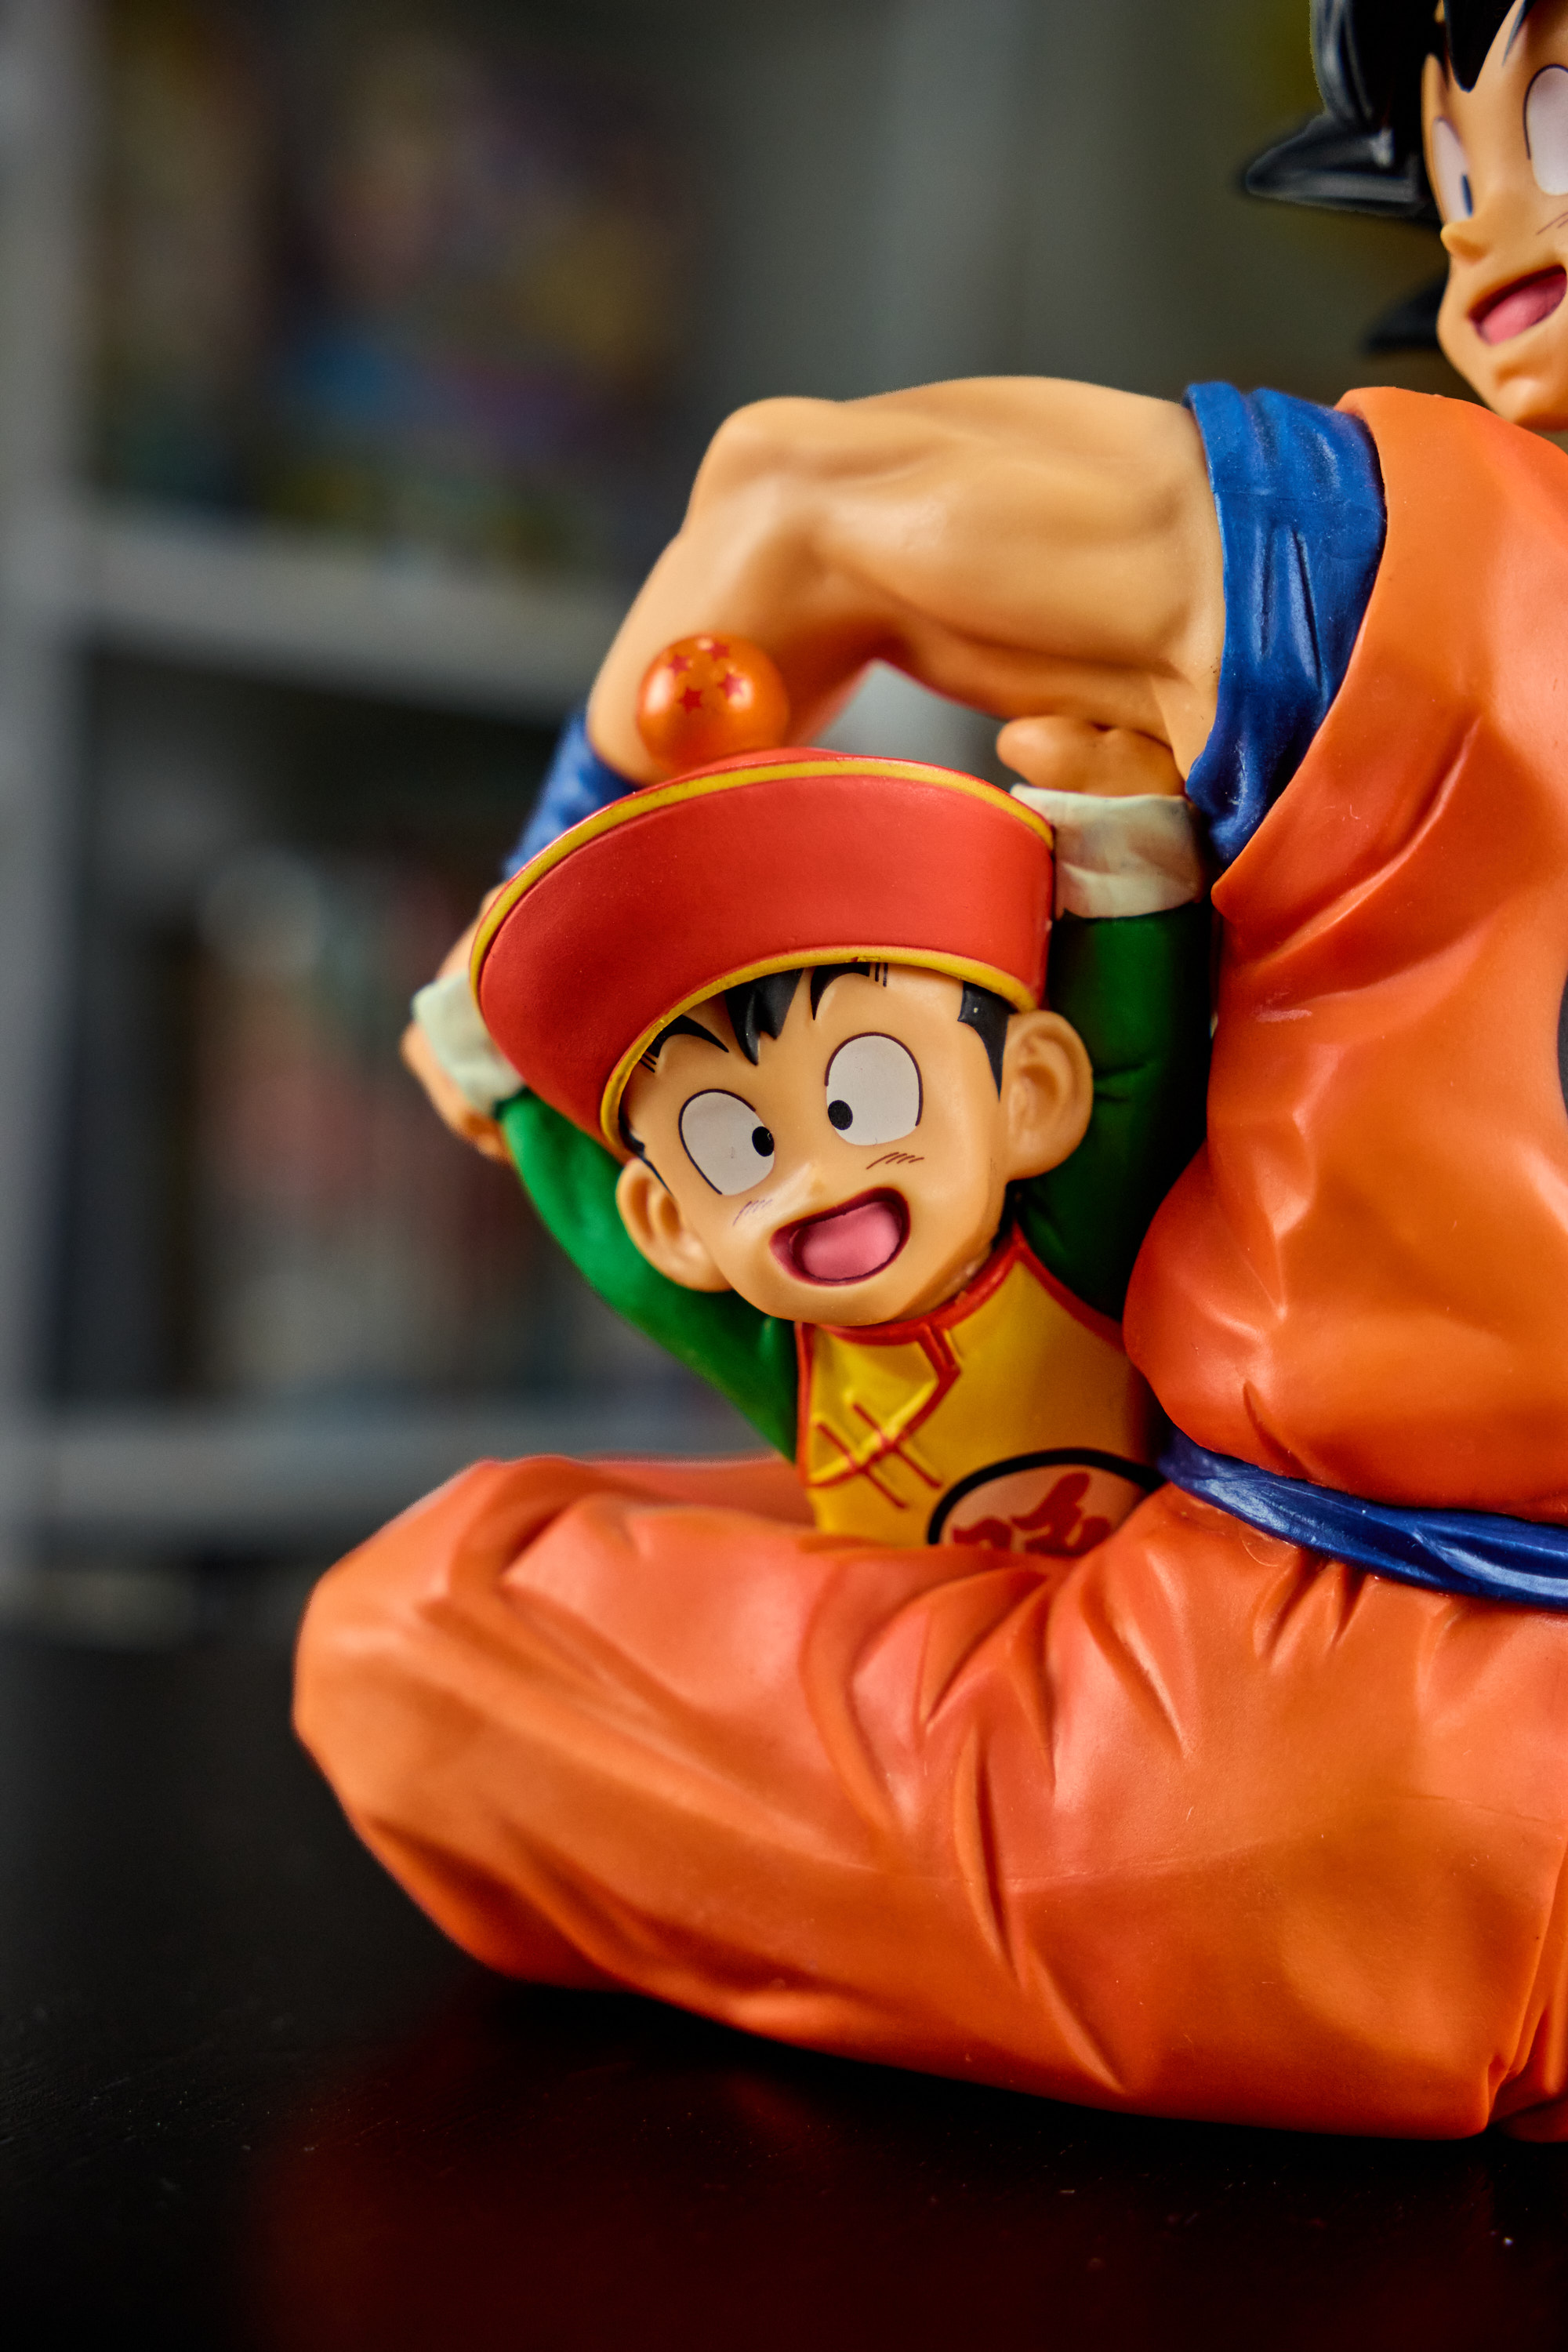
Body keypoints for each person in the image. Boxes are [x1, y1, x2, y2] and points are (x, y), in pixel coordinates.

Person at [296, 0, 1568, 2136]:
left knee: (424, 1624)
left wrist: (536, 925)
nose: (1493, 218)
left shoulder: (1402, 551)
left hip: (1354, 1761)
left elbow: (798, 499)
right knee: (806, 1500)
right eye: (1457, 161)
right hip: (1283, 1620)